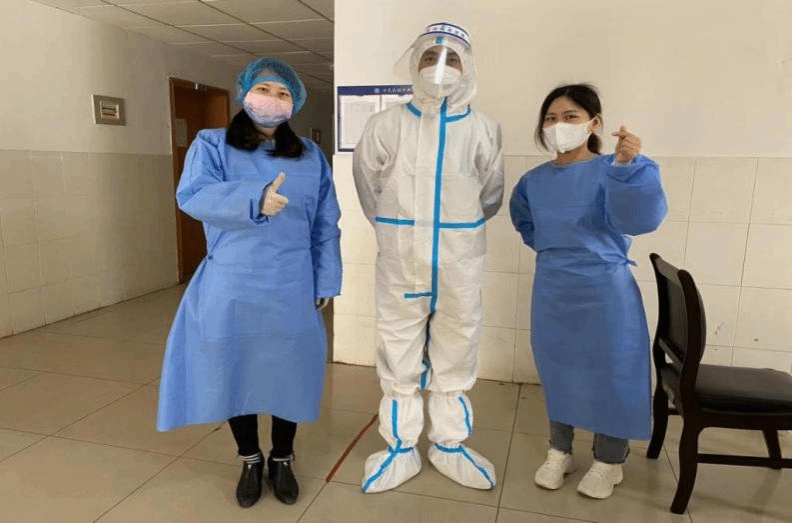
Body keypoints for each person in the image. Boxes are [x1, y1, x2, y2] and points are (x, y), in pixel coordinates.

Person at [156, 57, 342, 508]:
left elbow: (326, 223)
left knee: (287, 373)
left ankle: (282, 458)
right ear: (244, 93)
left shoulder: (310, 155)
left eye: (283, 93)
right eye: (264, 89)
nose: (272, 99)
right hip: (231, 281)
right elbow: (193, 195)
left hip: (291, 282)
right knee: (235, 369)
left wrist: (326, 278)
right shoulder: (212, 144)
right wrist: (253, 199)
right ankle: (250, 459)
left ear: (294, 103)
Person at [353, 22, 504, 493]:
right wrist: (400, 232)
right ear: (414, 64)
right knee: (398, 353)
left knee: (456, 350)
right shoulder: (384, 126)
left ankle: (449, 445)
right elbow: (368, 189)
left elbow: (491, 196)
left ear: (468, 67)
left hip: (459, 265)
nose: (440, 67)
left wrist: (453, 232)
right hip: (400, 263)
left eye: (452, 58)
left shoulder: (483, 129)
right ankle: (400, 448)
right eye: (430, 57)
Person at [509, 83, 667, 499]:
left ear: (594, 123)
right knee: (558, 368)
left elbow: (642, 219)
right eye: (550, 118)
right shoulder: (533, 181)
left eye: (570, 117)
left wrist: (627, 167)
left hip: (606, 290)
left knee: (612, 373)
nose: (558, 125)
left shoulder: (616, 168)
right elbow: (528, 226)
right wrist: (562, 254)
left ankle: (609, 461)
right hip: (554, 288)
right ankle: (560, 450)